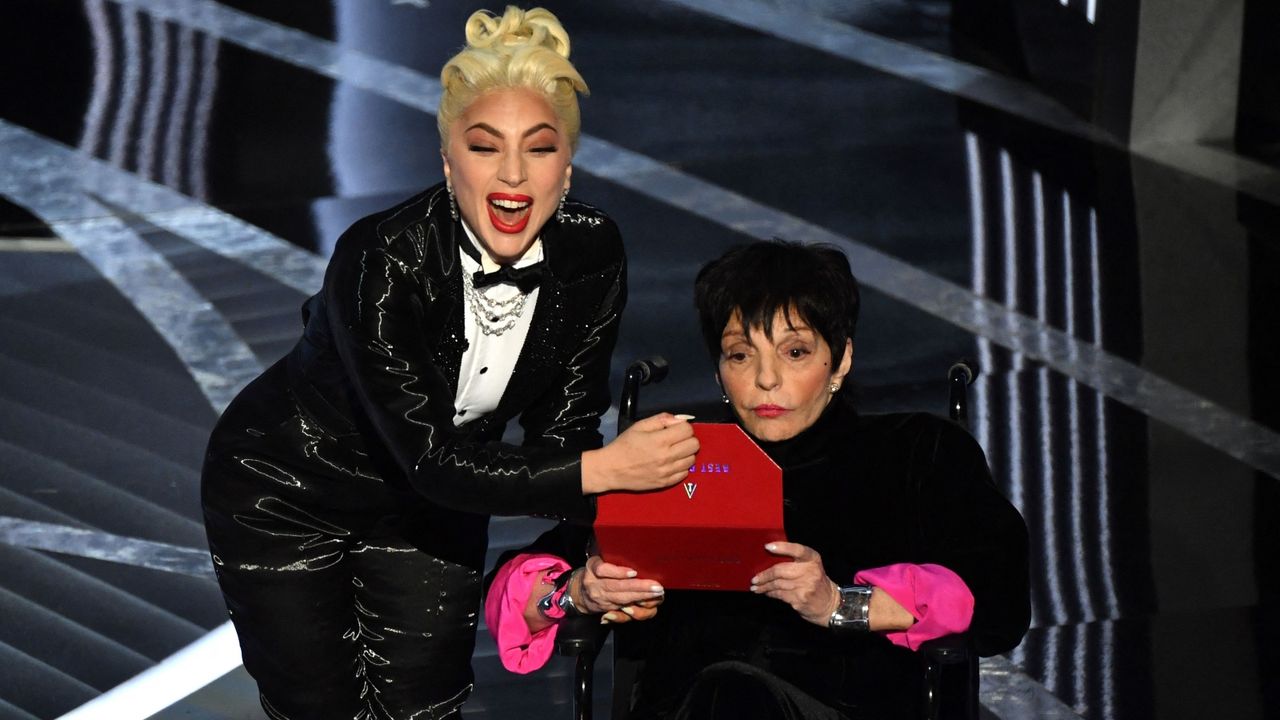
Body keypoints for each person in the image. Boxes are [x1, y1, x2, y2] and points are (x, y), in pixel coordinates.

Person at [200, 7, 698, 719]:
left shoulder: (592, 252)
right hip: (288, 493)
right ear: (446, 161)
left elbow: (564, 431)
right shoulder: (382, 259)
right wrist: (608, 472)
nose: (513, 176)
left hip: (435, 506)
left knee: (427, 706)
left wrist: (605, 555)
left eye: (540, 148)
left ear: (568, 165)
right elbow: (431, 458)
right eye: (485, 147)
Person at [485, 240, 1030, 719]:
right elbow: (517, 594)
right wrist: (580, 591)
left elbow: (997, 595)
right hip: (691, 707)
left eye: (795, 352)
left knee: (737, 693)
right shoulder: (672, 458)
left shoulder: (918, 452)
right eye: (741, 354)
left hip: (849, 708)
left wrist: (840, 604)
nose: (766, 379)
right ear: (720, 370)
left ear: (841, 360)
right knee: (727, 691)